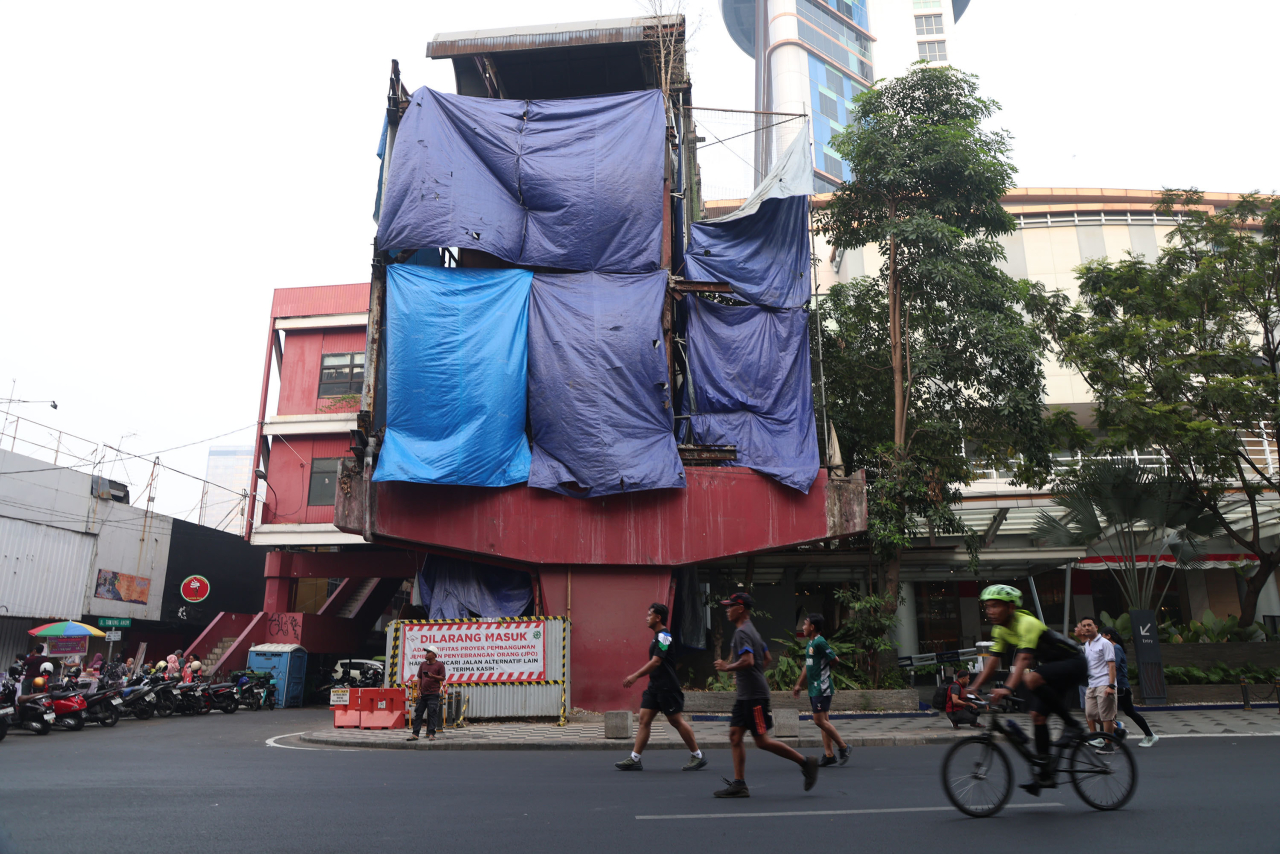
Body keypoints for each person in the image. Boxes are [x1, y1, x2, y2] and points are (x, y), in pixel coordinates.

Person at [966, 584, 1087, 796]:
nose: (990, 611)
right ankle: (1045, 774)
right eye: (987, 607)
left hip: (1074, 662)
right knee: (1037, 716)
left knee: (1030, 678)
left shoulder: (1026, 623)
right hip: (1053, 669)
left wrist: (1007, 688)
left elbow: (1023, 658)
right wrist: (973, 687)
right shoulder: (1000, 630)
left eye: (995, 606)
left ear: (1011, 607)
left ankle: (1073, 725)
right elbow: (993, 662)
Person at [712, 592, 819, 798]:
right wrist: (749, 675)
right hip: (747, 695)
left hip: (754, 698)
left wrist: (728, 667)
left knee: (762, 741)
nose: (727, 609)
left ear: (740, 608)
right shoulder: (751, 630)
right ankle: (739, 784)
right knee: (735, 736)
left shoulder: (742, 632)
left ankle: (806, 763)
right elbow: (767, 658)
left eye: (730, 606)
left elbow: (748, 661)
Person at [615, 603, 707, 772]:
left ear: (658, 617)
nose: (646, 617)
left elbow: (657, 661)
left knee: (675, 721)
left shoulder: (665, 636)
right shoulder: (657, 636)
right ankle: (635, 759)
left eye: (649, 614)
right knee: (644, 719)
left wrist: (635, 676)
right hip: (655, 686)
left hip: (667, 687)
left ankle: (698, 756)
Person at [790, 613, 850, 766]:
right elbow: (807, 666)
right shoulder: (810, 644)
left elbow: (834, 659)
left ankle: (844, 746)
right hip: (814, 687)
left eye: (805, 624)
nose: (803, 627)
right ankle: (829, 755)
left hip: (821, 687)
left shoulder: (820, 642)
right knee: (824, 721)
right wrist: (799, 684)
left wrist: (824, 673)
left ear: (812, 627)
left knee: (819, 721)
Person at [1099, 626, 1158, 748]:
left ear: (1108, 636)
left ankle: (1149, 735)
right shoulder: (1113, 648)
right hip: (1117, 686)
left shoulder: (1116, 648)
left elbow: (1113, 666)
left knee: (1123, 712)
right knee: (1109, 713)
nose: (1100, 639)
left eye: (1102, 636)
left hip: (1119, 687)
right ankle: (1110, 735)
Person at [1077, 617, 1118, 754]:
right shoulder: (1088, 644)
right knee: (1090, 713)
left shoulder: (1104, 643)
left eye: (1090, 625)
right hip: (1092, 683)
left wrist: (1111, 685)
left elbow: (1111, 665)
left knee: (1106, 716)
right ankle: (1117, 729)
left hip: (1104, 682)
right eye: (1084, 626)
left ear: (1096, 627)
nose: (1087, 628)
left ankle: (1109, 745)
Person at [407, 646, 446, 742]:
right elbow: (419, 677)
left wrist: (433, 676)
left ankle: (431, 734)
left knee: (432, 714)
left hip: (433, 693)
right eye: (426, 652)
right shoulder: (423, 665)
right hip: (423, 694)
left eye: (428, 652)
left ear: (434, 655)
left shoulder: (439, 665)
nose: (426, 654)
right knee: (418, 714)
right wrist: (418, 690)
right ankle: (415, 734)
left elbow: (442, 678)